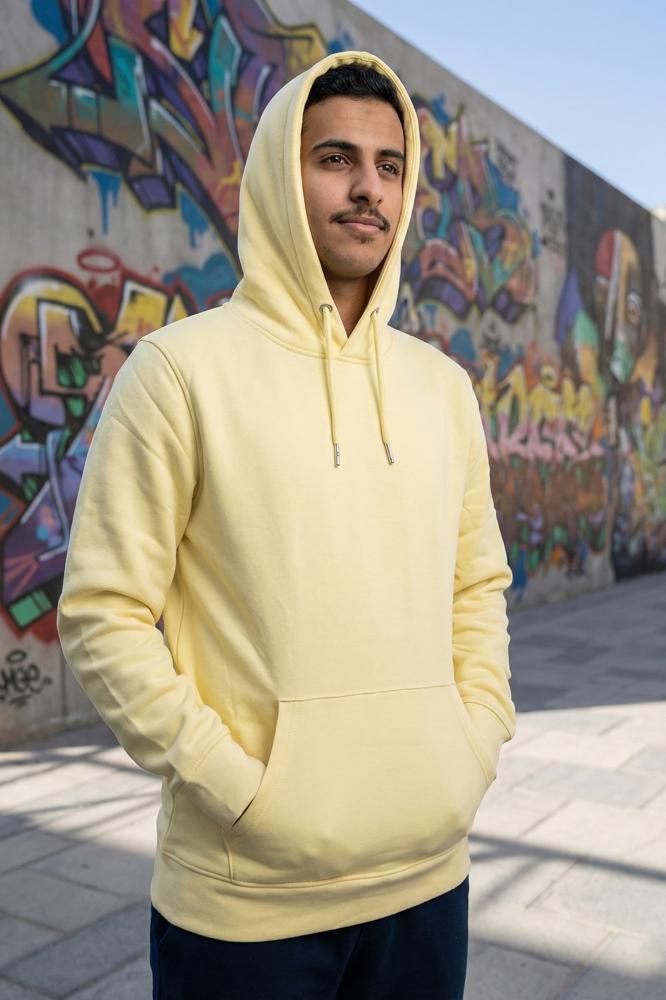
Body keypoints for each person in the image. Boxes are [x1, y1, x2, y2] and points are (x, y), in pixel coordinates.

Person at [57, 50, 515, 1000]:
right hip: (247, 903)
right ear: (277, 174)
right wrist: (239, 790)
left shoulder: (443, 389)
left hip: (430, 880)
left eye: (389, 166)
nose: (368, 188)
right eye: (335, 158)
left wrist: (474, 747)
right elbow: (102, 613)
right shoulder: (178, 372)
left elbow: (477, 587)